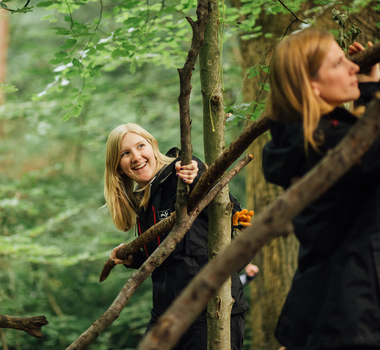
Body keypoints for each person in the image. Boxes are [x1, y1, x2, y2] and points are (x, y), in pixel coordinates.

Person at [262, 28, 380, 350]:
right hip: (352, 312)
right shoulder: (328, 144)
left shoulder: (307, 140)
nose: (354, 66)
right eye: (339, 64)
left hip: (329, 305)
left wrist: (368, 88)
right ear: (312, 84)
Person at [105, 123, 250, 350]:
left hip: (210, 310)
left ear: (153, 146)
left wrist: (198, 173)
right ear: (118, 166)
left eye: (140, 146)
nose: (136, 157)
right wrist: (133, 256)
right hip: (166, 315)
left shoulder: (182, 174)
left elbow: (229, 208)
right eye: (125, 153)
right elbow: (166, 251)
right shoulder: (144, 200)